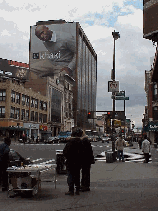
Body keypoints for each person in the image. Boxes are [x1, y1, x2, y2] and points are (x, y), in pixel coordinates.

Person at [63, 128, 83, 196]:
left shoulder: (70, 142)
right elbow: (83, 152)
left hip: (70, 162)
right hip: (78, 162)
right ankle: (77, 189)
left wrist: (67, 157)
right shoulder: (80, 142)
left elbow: (65, 152)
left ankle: (71, 190)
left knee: (70, 175)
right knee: (77, 175)